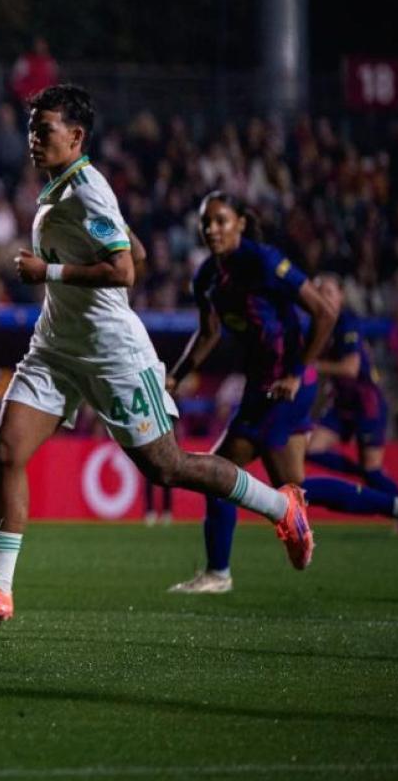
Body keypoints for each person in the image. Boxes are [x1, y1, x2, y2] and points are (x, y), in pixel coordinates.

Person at [0, 86, 314, 623]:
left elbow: (125, 270)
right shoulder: (61, 189)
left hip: (113, 352)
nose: (34, 141)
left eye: (45, 131)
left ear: (77, 136)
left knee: (167, 467)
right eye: (32, 130)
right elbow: (129, 247)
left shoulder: (87, 191)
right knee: (7, 451)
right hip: (55, 345)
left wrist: (50, 272)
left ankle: (283, 507)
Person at [161, 192, 341, 594]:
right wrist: (176, 376)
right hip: (261, 389)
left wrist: (297, 372)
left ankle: (218, 573)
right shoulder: (207, 276)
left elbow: (325, 313)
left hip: (285, 388)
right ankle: (395, 506)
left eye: (221, 221)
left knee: (222, 474)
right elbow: (209, 334)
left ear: (241, 222)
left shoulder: (265, 261)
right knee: (290, 489)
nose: (212, 230)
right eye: (206, 223)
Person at [288, 277, 398, 526]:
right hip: (342, 405)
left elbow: (350, 368)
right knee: (312, 450)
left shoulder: (347, 323)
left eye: (330, 292)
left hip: (367, 404)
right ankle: (362, 475)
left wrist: (311, 364)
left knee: (372, 470)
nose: (324, 297)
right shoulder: (317, 326)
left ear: (342, 296)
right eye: (319, 292)